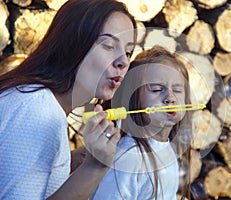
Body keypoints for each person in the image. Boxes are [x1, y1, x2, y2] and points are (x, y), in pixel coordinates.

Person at [0, 0, 136, 199]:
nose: (123, 61)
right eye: (109, 46)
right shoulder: (38, 110)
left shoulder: (37, 99)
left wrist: (64, 162)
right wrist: (94, 168)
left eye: (128, 52)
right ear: (72, 43)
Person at [91, 46, 193, 200]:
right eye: (157, 89)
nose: (170, 98)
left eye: (178, 90)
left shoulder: (166, 149)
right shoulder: (129, 156)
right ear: (133, 100)